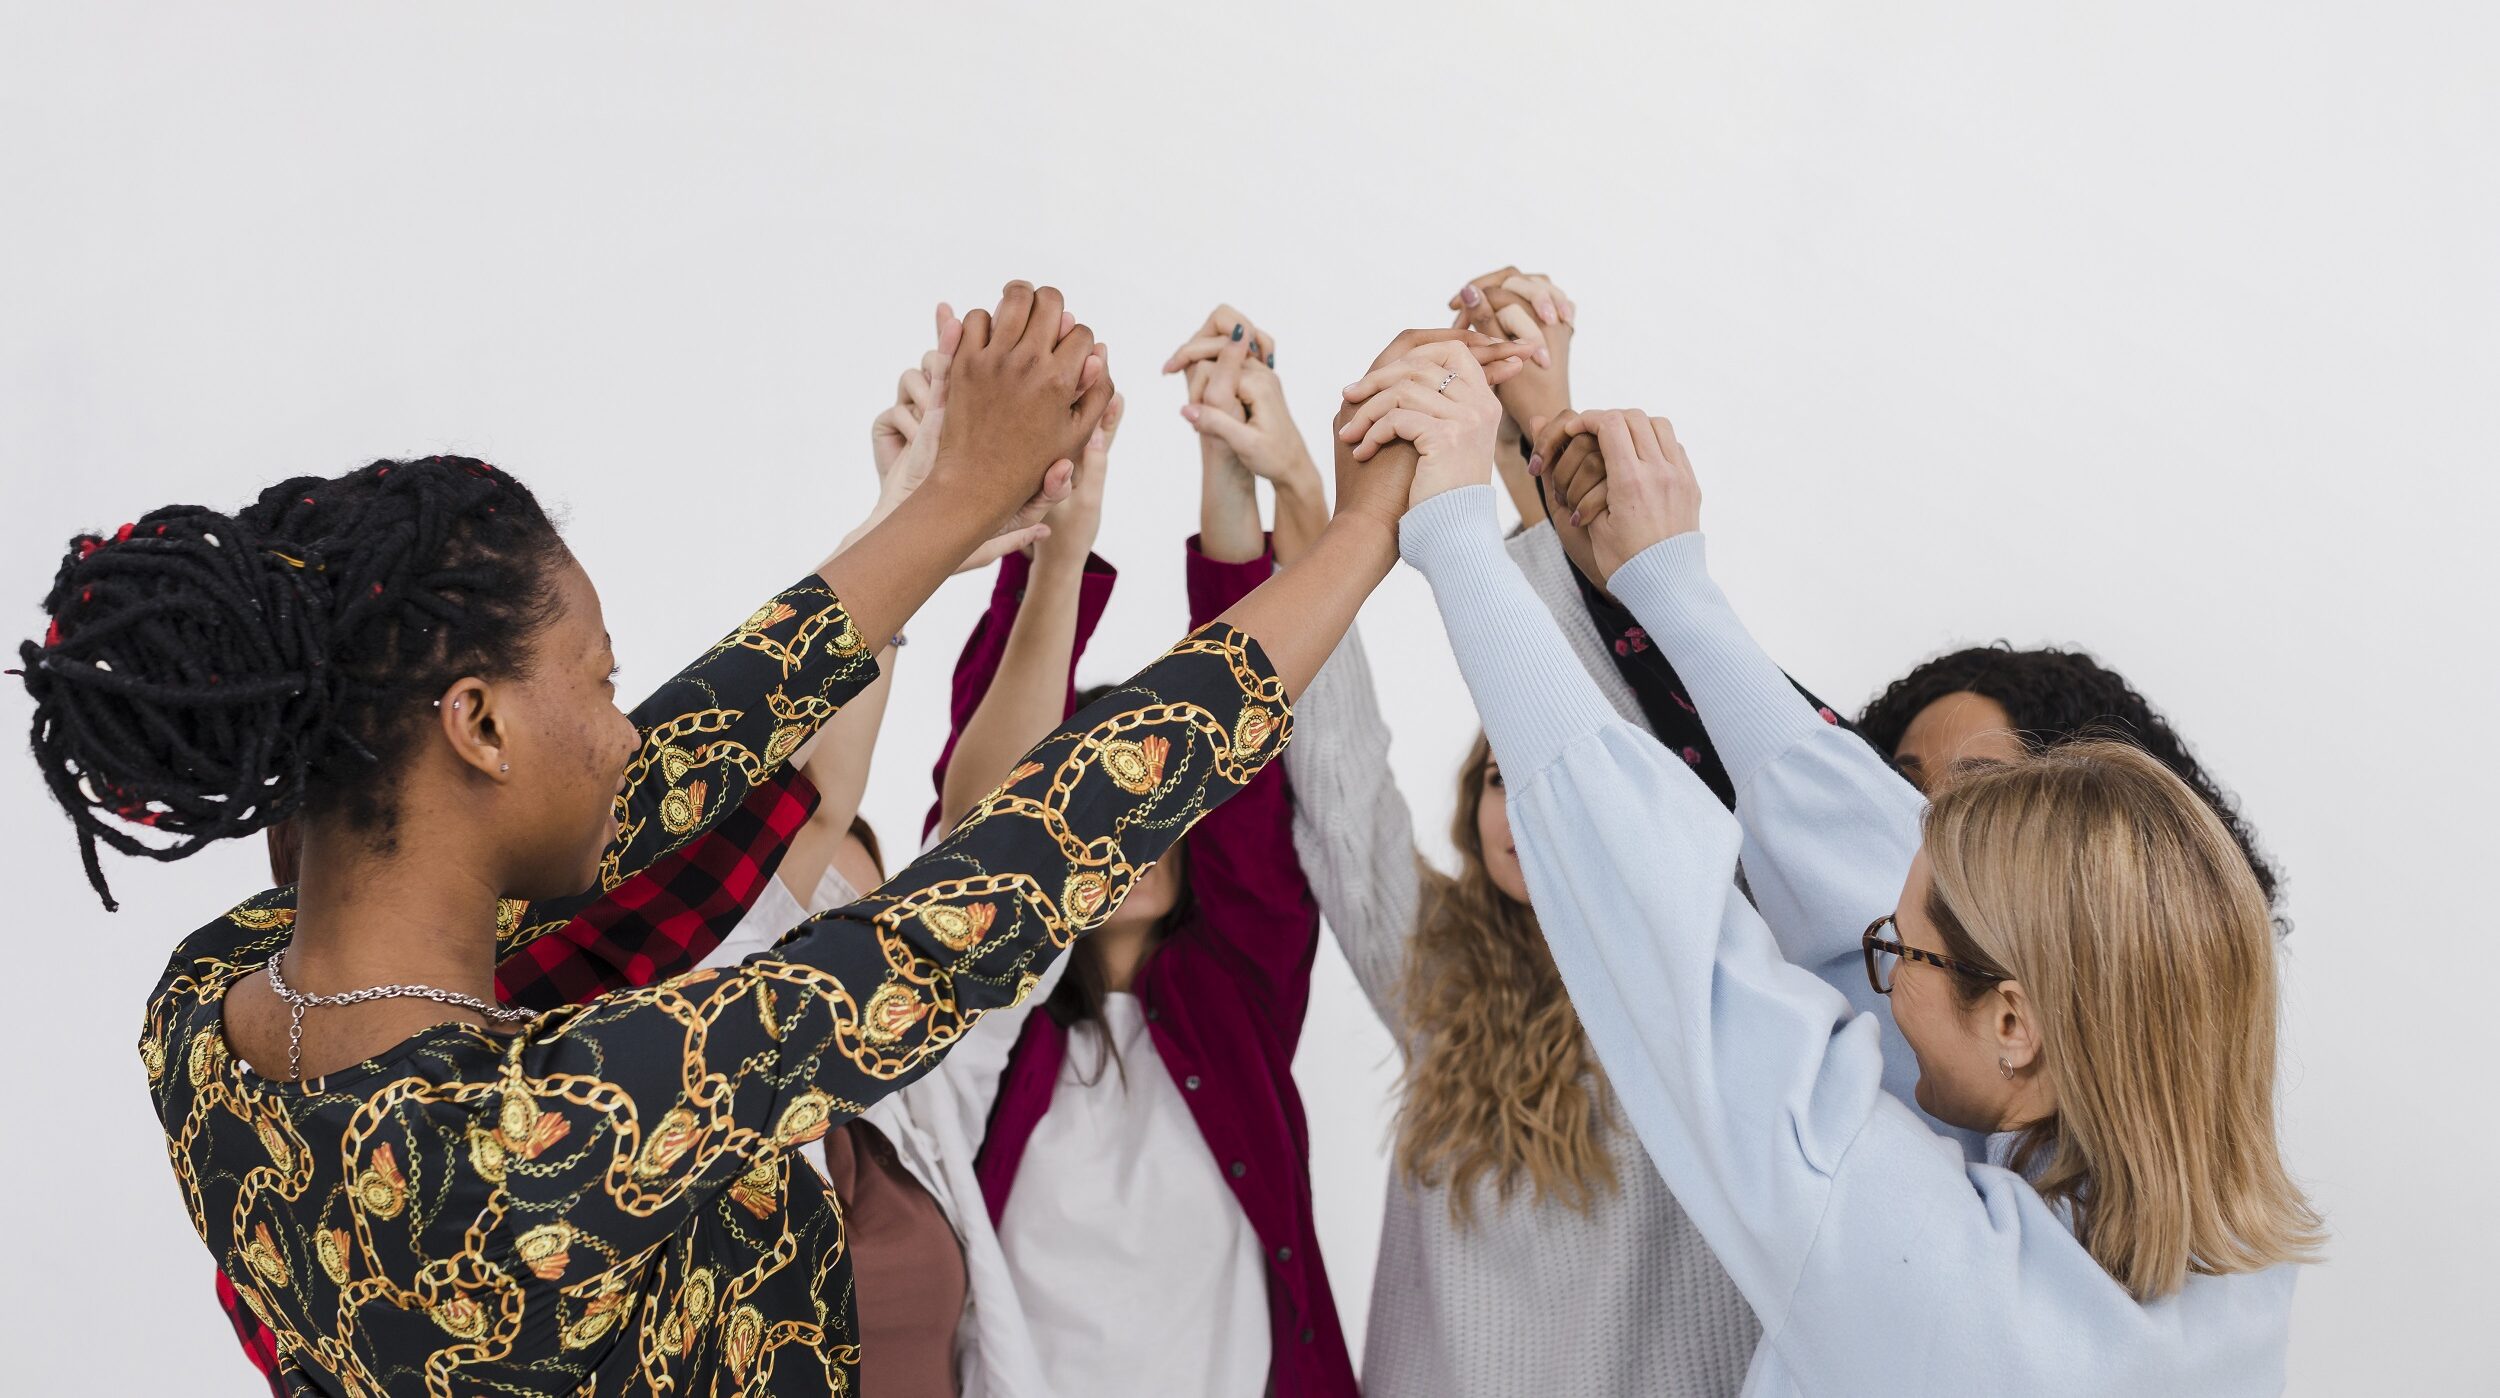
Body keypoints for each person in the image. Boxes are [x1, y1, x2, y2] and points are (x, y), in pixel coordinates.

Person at [26, 283, 1410, 1396]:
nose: (632, 730)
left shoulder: (210, 1011)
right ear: (480, 727)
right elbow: (996, 888)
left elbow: (690, 756)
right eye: (603, 682)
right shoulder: (541, 1135)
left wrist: (947, 506)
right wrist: (1363, 534)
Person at [1375, 364, 2322, 1393]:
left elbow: (1671, 939)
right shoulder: (2228, 1261)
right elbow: (1880, 863)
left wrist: (1457, 540)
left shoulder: (1930, 1276)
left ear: (2015, 1022)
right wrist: (1665, 582)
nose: (1858, 963)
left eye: (1891, 950)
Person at [1243, 275, 1758, 1397]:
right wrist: (1336, 529)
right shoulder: (1431, 969)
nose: (1525, 809)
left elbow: (1611, 744)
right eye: (1497, 783)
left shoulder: (1704, 971)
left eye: (1543, 785)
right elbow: (1338, 791)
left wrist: (1541, 432)